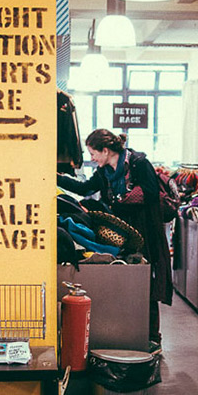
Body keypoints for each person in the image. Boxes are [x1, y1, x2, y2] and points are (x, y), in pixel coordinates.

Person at [57, 129, 172, 353]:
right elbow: (85, 188)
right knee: (129, 281)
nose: (91, 159)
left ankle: (153, 337)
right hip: (122, 233)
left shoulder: (139, 163)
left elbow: (150, 193)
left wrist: (120, 201)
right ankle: (130, 333)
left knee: (147, 281)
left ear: (106, 150)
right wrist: (57, 178)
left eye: (93, 153)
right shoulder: (104, 172)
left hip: (146, 230)